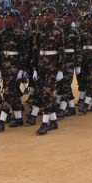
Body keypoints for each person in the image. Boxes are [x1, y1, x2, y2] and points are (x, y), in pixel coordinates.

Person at [32, 7, 64, 135]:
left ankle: (45, 123)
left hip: (52, 66)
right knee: (44, 93)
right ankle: (54, 120)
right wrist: (35, 68)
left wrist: (60, 69)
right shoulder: (40, 31)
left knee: (47, 93)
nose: (46, 16)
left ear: (54, 16)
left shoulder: (58, 31)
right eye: (45, 14)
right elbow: (36, 50)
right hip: (42, 66)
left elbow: (61, 51)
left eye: (49, 14)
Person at [0, 11, 26, 132]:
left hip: (15, 67)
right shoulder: (1, 34)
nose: (5, 20)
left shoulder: (20, 34)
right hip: (4, 67)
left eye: (7, 18)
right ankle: (18, 118)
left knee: (7, 93)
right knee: (14, 93)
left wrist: (22, 69)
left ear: (14, 20)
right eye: (4, 18)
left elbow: (24, 53)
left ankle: (2, 121)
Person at [57, 12, 80, 118]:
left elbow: (78, 49)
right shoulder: (59, 31)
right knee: (62, 84)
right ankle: (71, 108)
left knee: (66, 83)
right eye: (63, 18)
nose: (64, 20)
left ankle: (62, 108)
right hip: (61, 61)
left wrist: (78, 64)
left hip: (70, 61)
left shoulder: (75, 32)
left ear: (71, 19)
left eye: (67, 18)